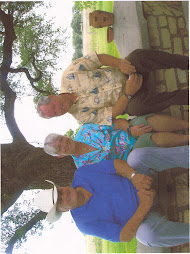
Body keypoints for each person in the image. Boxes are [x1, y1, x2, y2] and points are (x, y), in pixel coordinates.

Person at [34, 150, 189, 247]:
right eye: (60, 200)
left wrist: (134, 176)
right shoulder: (84, 224)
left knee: (137, 156)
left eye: (59, 191)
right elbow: (123, 237)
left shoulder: (81, 174)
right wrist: (143, 207)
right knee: (147, 236)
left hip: (144, 180)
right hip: (146, 215)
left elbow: (115, 165)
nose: (64, 194)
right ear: (63, 211)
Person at [37, 50, 189, 125]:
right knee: (136, 108)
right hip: (129, 98)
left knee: (137, 57)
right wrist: (128, 94)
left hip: (127, 73)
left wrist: (120, 64)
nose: (60, 110)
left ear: (51, 97)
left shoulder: (69, 75)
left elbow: (97, 59)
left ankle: (185, 63)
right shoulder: (81, 117)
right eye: (56, 114)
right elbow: (112, 114)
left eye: (55, 107)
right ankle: (185, 96)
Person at [43, 113, 188, 168]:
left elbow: (116, 123)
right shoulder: (83, 167)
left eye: (61, 139)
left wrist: (131, 129)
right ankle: (186, 139)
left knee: (145, 122)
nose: (64, 144)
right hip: (129, 157)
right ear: (60, 156)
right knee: (148, 140)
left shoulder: (85, 129)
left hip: (128, 132)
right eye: (60, 148)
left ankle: (187, 124)